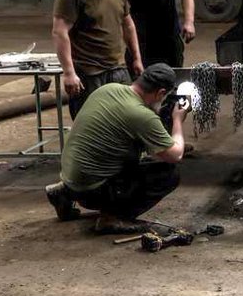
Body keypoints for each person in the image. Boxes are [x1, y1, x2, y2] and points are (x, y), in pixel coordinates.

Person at [44, 64, 189, 234]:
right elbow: (175, 154)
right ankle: (112, 218)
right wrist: (178, 119)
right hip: (91, 190)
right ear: (161, 93)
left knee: (140, 157)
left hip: (72, 177)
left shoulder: (108, 89)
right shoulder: (141, 115)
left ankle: (63, 192)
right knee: (168, 174)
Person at [52, 0, 144, 118]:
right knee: (91, 122)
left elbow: (128, 24)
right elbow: (59, 32)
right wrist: (69, 73)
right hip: (89, 72)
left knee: (125, 118)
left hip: (118, 69)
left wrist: (137, 58)